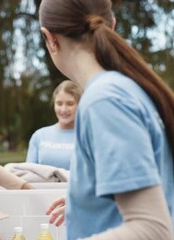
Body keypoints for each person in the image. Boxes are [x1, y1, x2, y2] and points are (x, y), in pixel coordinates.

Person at [39, 0, 174, 239]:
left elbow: (152, 228)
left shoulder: (104, 101)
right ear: (111, 25)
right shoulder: (124, 90)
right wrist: (86, 202)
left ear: (50, 38)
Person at [26, 80, 82, 170]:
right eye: (59, 104)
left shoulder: (87, 136)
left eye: (70, 104)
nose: (63, 110)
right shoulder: (39, 136)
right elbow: (29, 172)